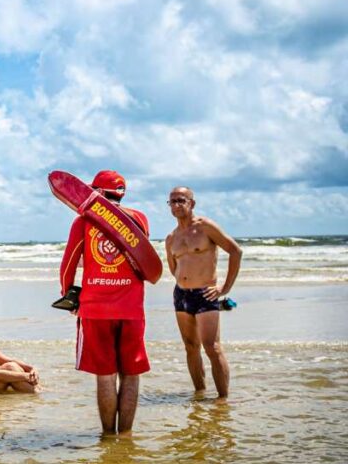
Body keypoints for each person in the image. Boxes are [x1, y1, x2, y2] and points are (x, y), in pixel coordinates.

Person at [59, 170, 150, 436]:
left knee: (106, 375)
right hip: (132, 308)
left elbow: (69, 264)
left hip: (95, 308)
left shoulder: (84, 221)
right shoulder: (140, 219)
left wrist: (69, 295)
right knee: (131, 374)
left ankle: (109, 435)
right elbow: (145, 261)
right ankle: (126, 435)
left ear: (96, 193)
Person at [164, 186, 242, 399]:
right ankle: (199, 394)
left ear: (192, 203)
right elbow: (174, 268)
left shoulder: (205, 227)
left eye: (181, 200)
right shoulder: (171, 238)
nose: (176, 205)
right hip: (181, 295)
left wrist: (224, 288)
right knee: (190, 347)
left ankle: (222, 399)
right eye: (172, 201)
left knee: (212, 347)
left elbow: (236, 251)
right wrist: (184, 280)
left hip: (205, 295)